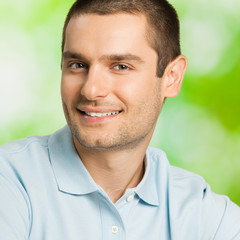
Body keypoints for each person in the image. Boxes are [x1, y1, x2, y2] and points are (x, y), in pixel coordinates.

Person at [0, 0, 240, 239]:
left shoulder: (201, 212)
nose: (91, 90)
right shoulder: (11, 181)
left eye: (121, 66)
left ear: (172, 78)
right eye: (77, 65)